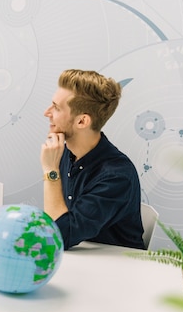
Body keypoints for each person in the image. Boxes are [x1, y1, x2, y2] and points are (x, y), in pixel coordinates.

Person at [40, 69, 144, 250]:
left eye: (56, 108)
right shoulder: (63, 153)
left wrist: (51, 172)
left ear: (82, 122)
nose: (46, 112)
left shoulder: (117, 175)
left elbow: (59, 237)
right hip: (80, 261)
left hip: (119, 270)